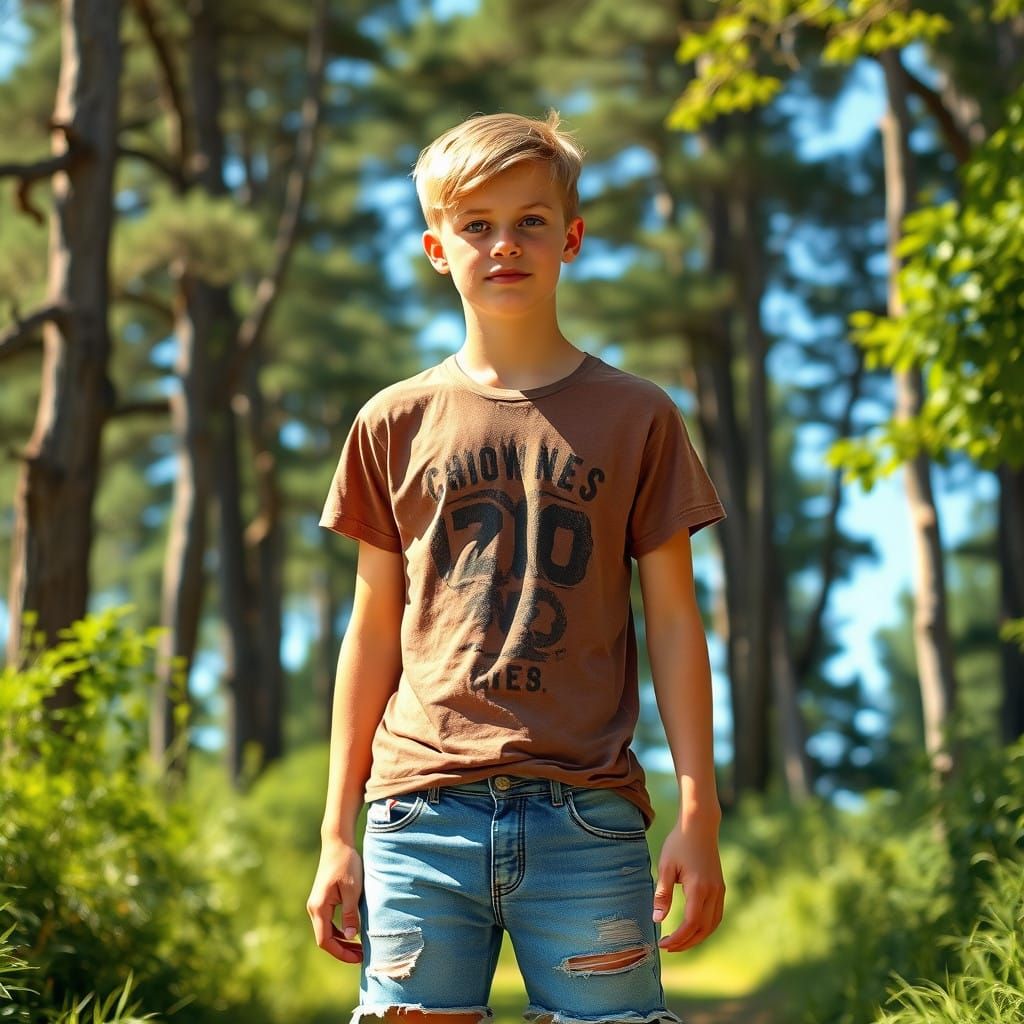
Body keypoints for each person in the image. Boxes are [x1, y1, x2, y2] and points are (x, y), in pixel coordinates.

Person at [306, 110, 727, 1024]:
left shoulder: (639, 416)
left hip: (589, 819)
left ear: (571, 238)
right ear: (435, 248)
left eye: (531, 221)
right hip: (418, 818)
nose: (505, 244)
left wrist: (701, 809)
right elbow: (372, 631)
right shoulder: (392, 423)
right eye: (476, 225)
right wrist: (336, 830)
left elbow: (676, 627)